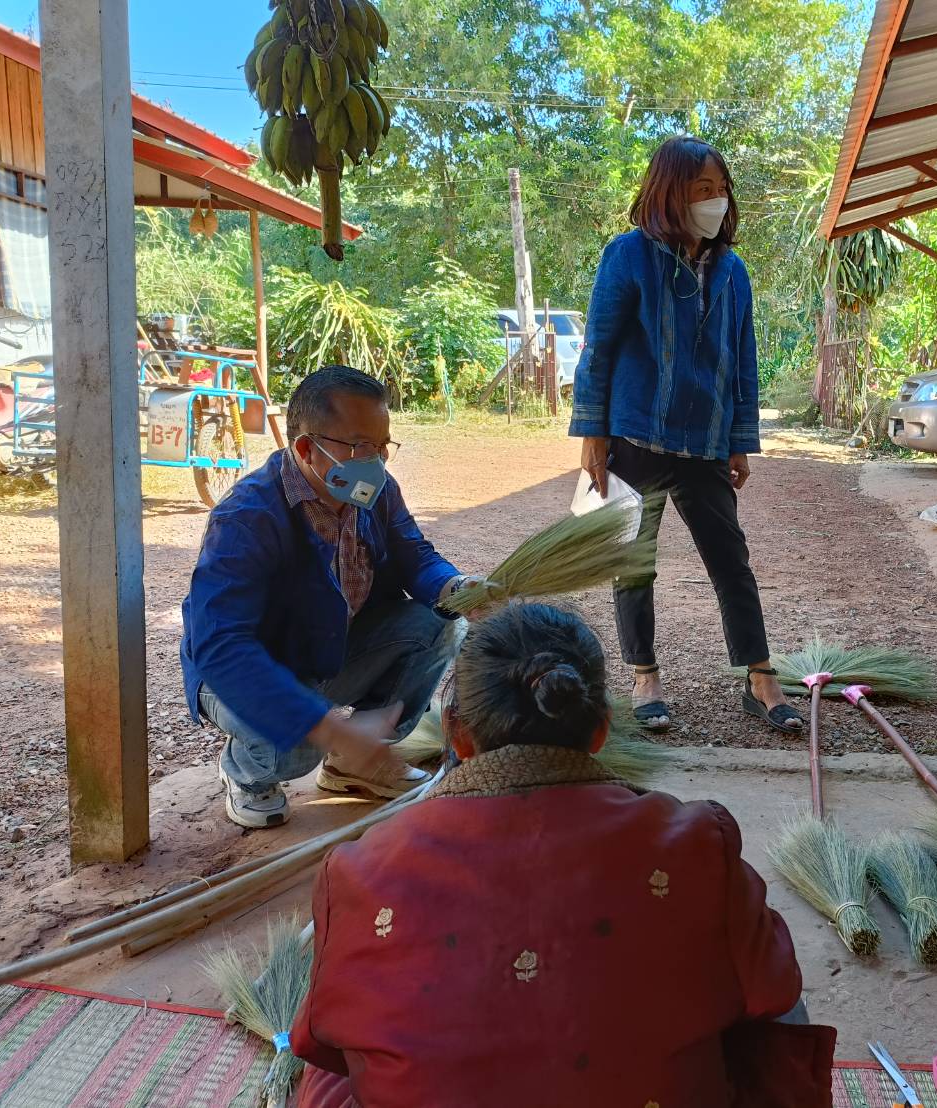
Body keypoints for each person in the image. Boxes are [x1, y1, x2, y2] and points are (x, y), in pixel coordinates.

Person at [289, 603, 835, 1108]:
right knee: (770, 999)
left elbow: (323, 1039)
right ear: (599, 731)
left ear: (456, 736)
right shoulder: (695, 842)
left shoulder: (360, 872)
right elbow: (775, 992)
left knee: (329, 1060)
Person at [570, 135, 802, 735]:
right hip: (634, 438)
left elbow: (744, 358)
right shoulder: (628, 256)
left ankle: (761, 679)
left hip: (704, 443)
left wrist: (739, 440)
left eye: (721, 190)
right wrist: (592, 433)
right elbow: (599, 350)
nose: (717, 201)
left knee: (731, 561)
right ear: (671, 193)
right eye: (703, 190)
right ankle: (645, 676)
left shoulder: (732, 271)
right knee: (633, 562)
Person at [180, 366, 479, 828]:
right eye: (361, 446)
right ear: (305, 448)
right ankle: (245, 770)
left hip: (325, 649)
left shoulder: (374, 491)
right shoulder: (246, 518)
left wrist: (455, 588)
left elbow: (414, 555)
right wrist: (326, 727)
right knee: (296, 742)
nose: (377, 461)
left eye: (383, 446)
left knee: (442, 622)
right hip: (242, 670)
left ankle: (355, 762)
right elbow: (223, 648)